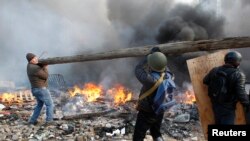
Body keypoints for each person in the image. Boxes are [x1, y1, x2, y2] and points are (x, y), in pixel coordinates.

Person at [133, 47, 176, 141]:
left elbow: (138, 69)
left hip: (146, 112)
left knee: (138, 136)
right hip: (160, 109)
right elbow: (163, 66)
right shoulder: (169, 75)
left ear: (151, 65)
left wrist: (148, 57)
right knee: (156, 132)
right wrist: (157, 56)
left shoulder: (150, 80)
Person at [203, 51, 249, 125]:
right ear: (237, 62)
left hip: (215, 103)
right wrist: (247, 104)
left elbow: (205, 81)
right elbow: (241, 92)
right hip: (228, 106)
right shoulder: (238, 74)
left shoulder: (215, 70)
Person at [26, 53, 54, 125]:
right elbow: (45, 76)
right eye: (33, 59)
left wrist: (41, 66)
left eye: (36, 57)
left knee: (39, 105)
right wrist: (44, 67)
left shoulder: (29, 66)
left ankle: (32, 121)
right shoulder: (34, 68)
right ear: (30, 61)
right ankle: (49, 121)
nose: (35, 59)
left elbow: (37, 67)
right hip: (41, 89)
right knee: (50, 104)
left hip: (35, 89)